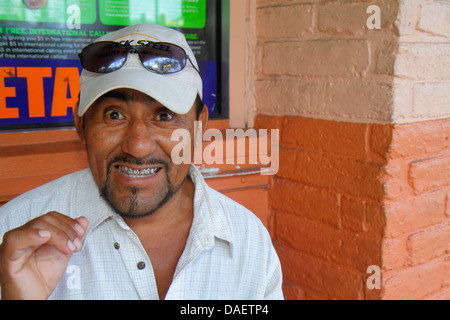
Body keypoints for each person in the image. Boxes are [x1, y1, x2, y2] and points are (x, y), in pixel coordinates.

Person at [0, 23, 283, 300]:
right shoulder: (14, 233)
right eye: (114, 115)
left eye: (164, 116)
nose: (137, 146)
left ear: (199, 126)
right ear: (81, 125)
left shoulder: (248, 240)